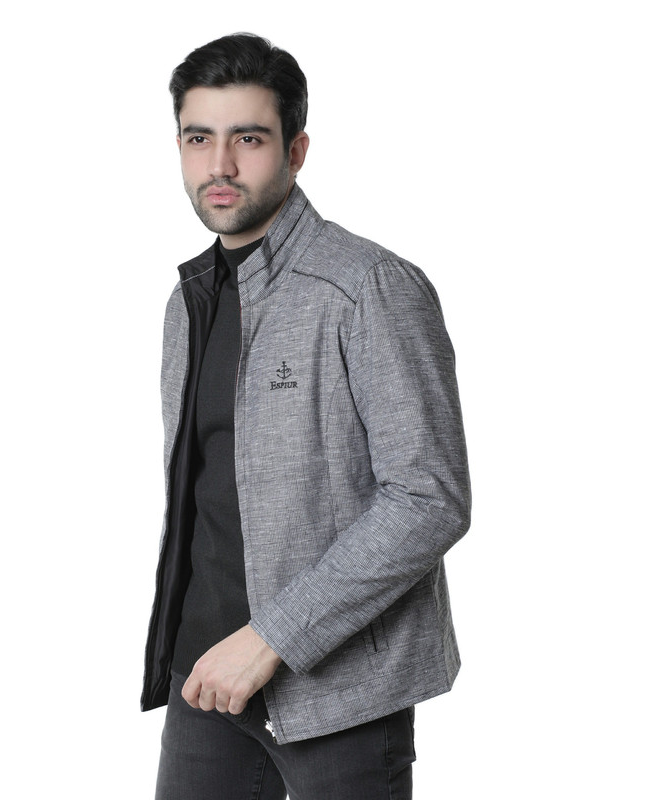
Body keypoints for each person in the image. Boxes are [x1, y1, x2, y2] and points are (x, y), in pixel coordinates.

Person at [142, 33, 471, 799]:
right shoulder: (188, 302)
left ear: (296, 151)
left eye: (249, 139)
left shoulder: (368, 287)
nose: (221, 166)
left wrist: (271, 638)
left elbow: (430, 499)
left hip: (338, 694)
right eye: (199, 138)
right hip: (205, 677)